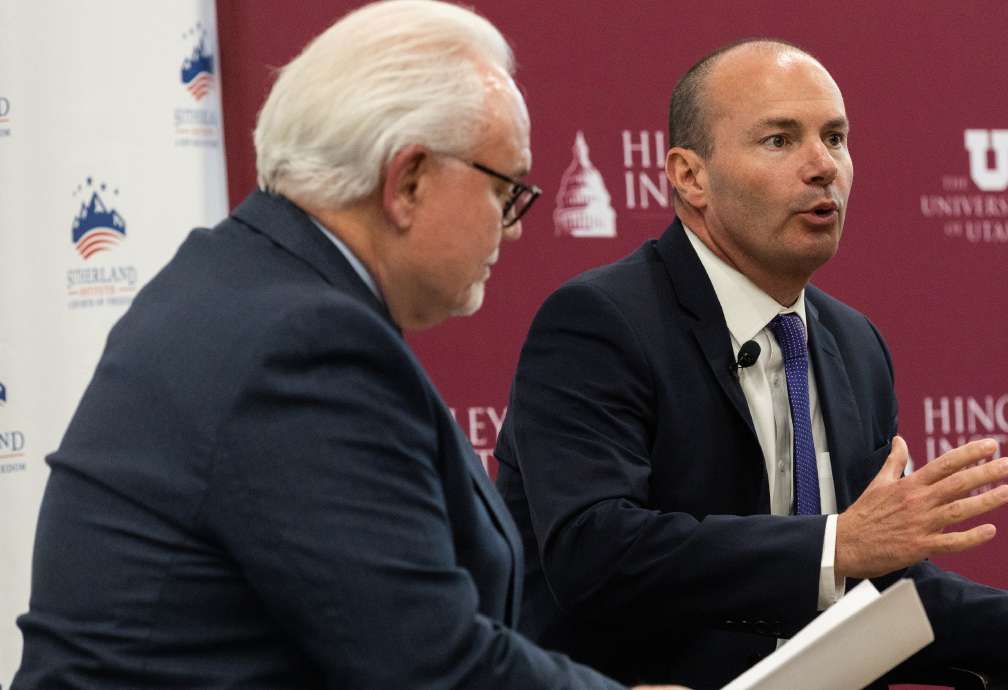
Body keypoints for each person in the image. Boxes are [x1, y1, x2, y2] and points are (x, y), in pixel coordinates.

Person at [12, 3, 684, 689]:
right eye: (506, 190)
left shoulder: (237, 282)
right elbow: (431, 665)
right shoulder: (302, 346)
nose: (512, 230)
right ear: (408, 181)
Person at [494, 39, 1008, 690]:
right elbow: (594, 550)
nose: (822, 166)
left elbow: (882, 590)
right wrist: (834, 545)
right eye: (779, 140)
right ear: (689, 176)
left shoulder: (855, 344)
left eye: (835, 137)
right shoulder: (599, 322)